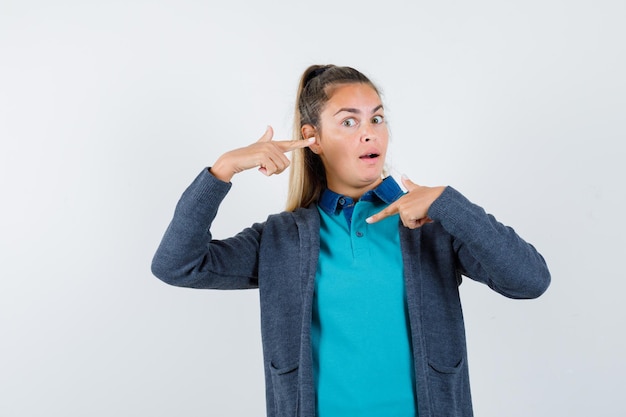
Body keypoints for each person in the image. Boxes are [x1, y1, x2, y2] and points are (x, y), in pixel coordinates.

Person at [151, 64, 551, 417]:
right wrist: (222, 171)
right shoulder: (280, 238)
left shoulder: (430, 222)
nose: (368, 133)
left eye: (376, 119)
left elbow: (530, 280)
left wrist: (450, 204)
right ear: (313, 138)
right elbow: (177, 264)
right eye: (349, 121)